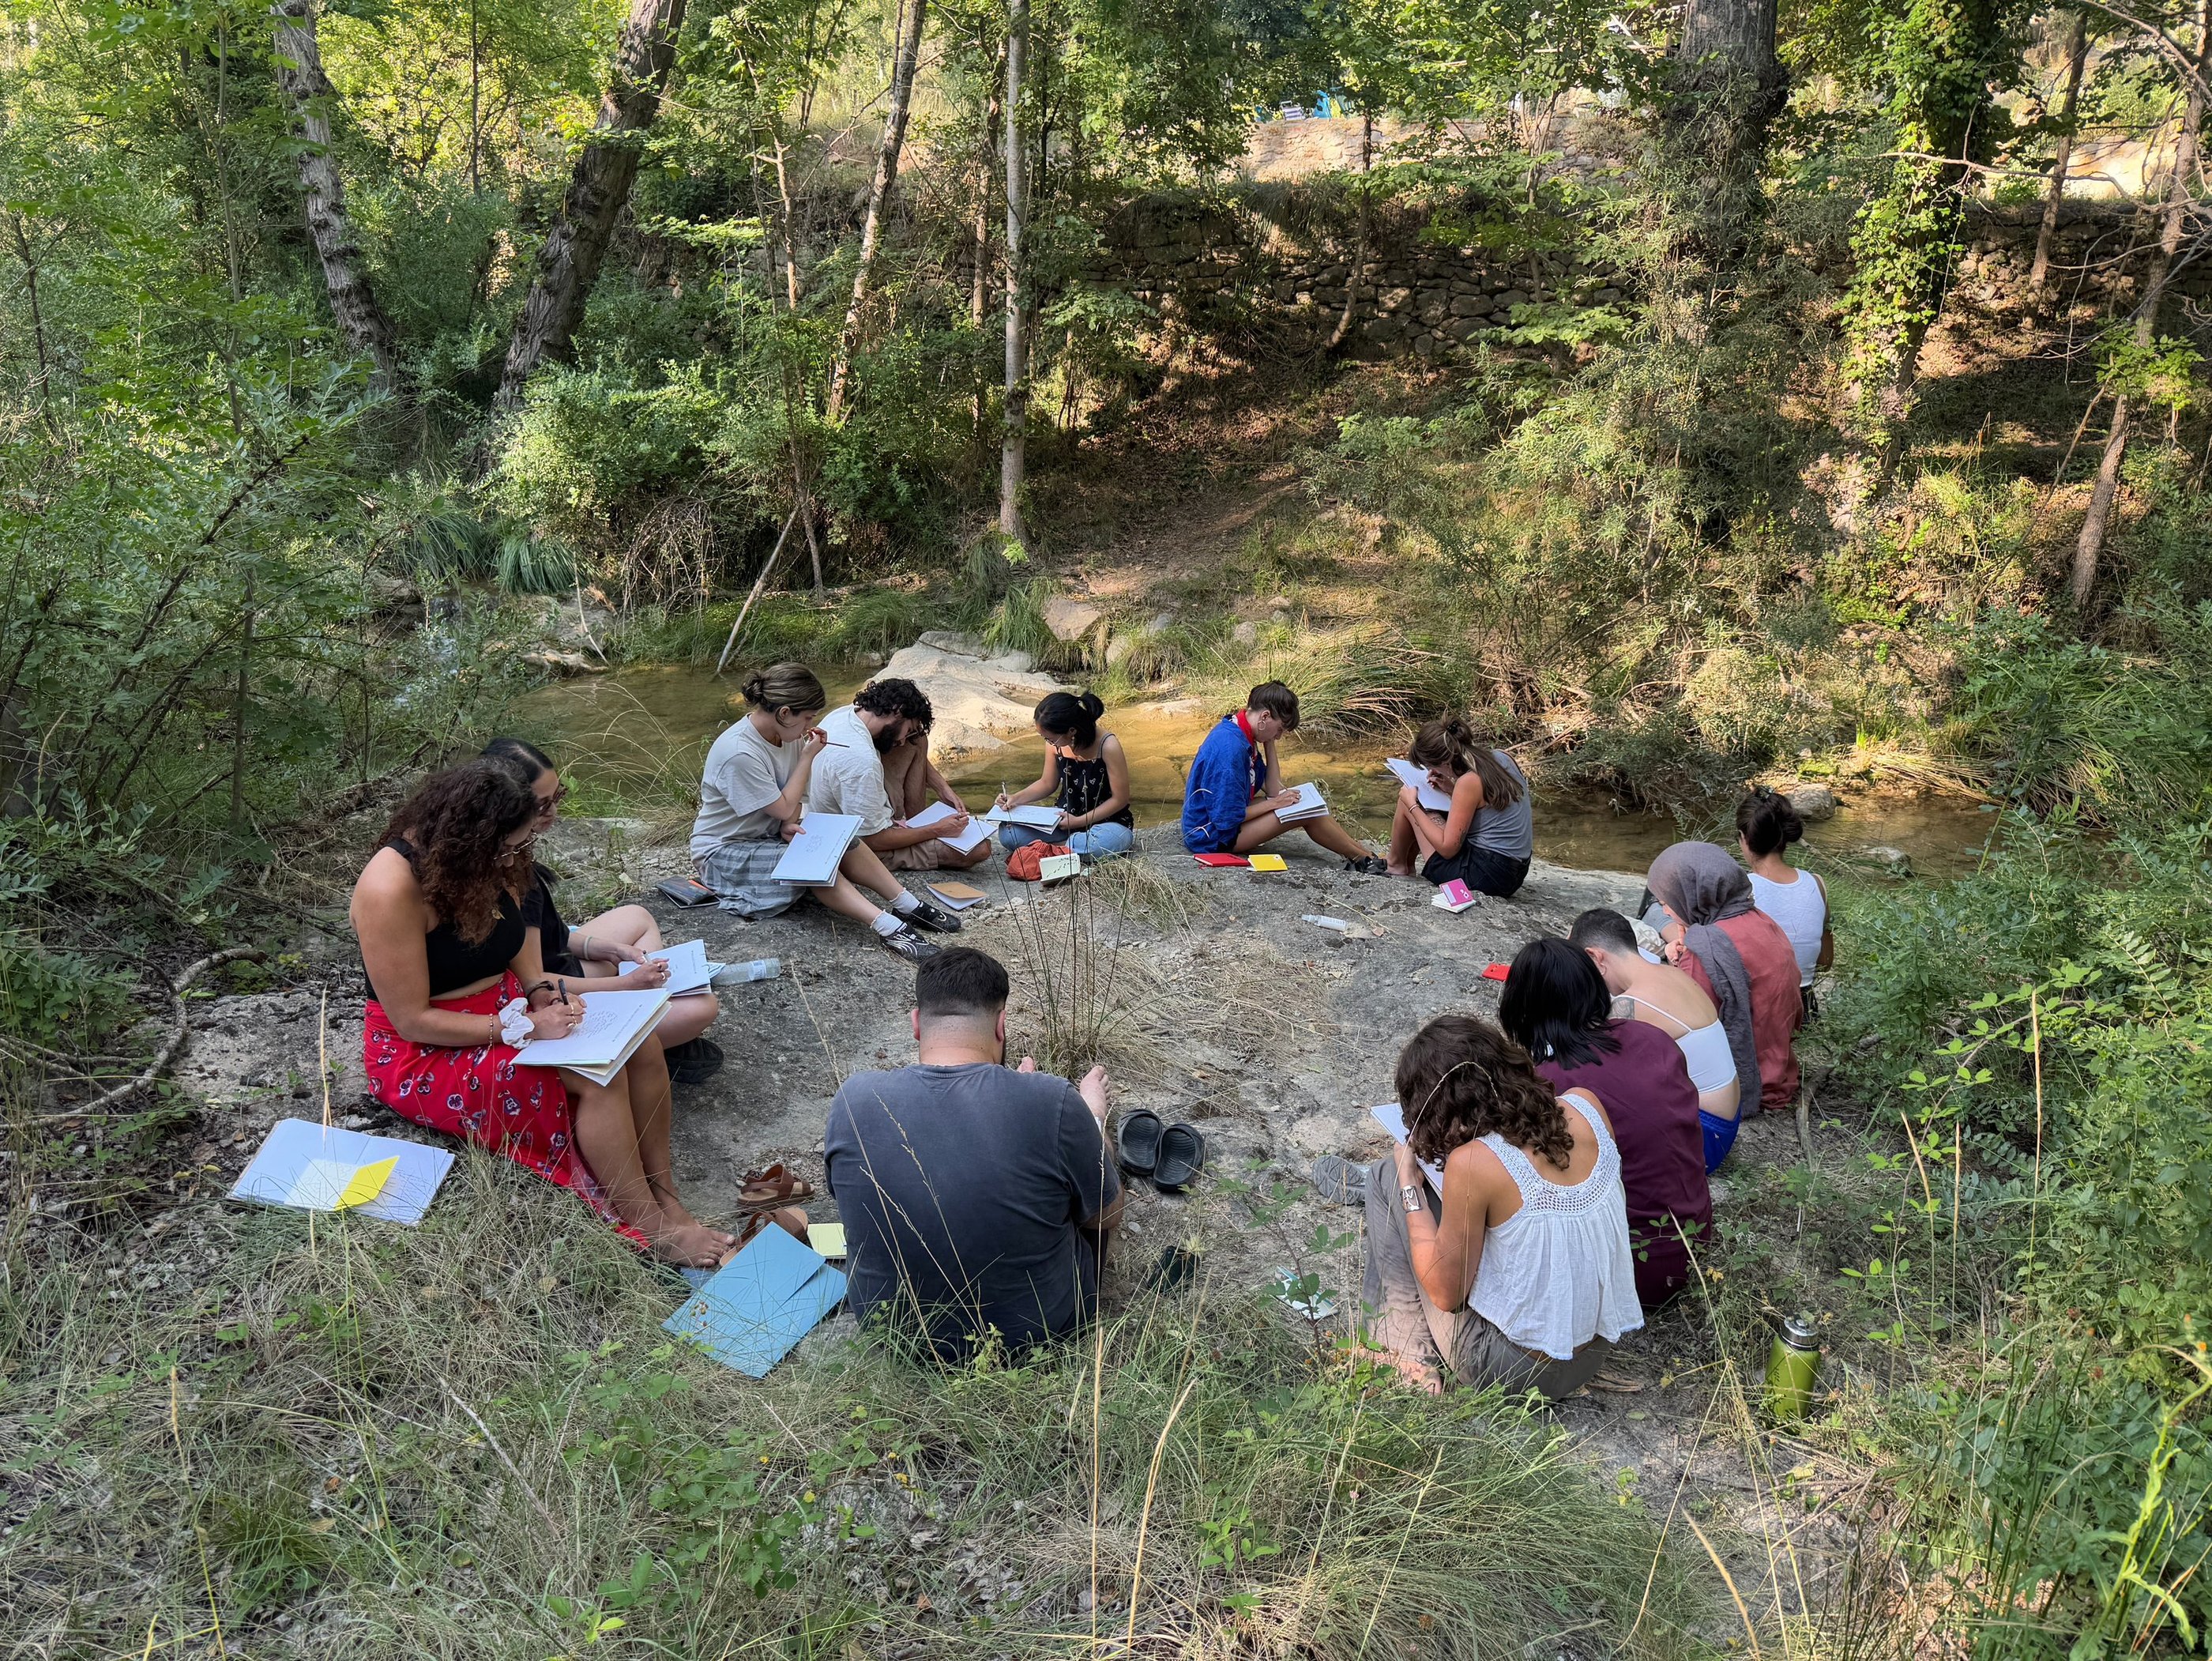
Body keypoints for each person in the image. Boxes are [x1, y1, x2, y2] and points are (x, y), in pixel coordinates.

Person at [352, 760, 780, 1267]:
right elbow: (411, 1021)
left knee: (640, 1043)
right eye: (506, 848)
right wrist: (521, 1027)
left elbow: (518, 948)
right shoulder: (389, 888)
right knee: (595, 1075)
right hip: (429, 1048)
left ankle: (664, 1194)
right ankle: (649, 1226)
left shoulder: (499, 854)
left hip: (508, 1007)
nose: (513, 857)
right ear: (470, 838)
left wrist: (539, 992)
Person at [824, 947, 1122, 1358]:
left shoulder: (852, 1099)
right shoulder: (1052, 1100)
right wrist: (1090, 1118)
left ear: (916, 1024)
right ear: (1001, 1025)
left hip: (895, 1336)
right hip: (1034, 1341)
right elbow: (1106, 1215)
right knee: (1087, 1195)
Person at [1359, 1015, 1642, 1396]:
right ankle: (1405, 1349)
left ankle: (1405, 1356)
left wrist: (1409, 1186)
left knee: (1386, 1176)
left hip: (1512, 1373)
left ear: (1439, 1112)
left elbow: (1446, 1296)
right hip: (1593, 1353)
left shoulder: (1474, 1163)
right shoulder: (1586, 1106)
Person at [482, 737, 724, 1085]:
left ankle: (651, 1022)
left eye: (558, 797)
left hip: (562, 966)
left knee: (636, 917)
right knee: (701, 1007)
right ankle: (646, 1038)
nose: (553, 812)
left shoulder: (515, 852)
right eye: (542, 804)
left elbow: (551, 935)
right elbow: (532, 980)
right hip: (553, 997)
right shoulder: (510, 873)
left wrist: (608, 949)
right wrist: (627, 984)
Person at [1499, 938, 1712, 1307]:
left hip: (1634, 1268)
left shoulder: (1550, 1085)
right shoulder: (1653, 1037)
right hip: (1696, 1238)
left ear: (1522, 1010)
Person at [689, 664, 950, 963]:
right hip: (723, 853)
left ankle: (906, 903)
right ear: (784, 713)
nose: (810, 725)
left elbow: (796, 802)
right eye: (808, 717)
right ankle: (888, 927)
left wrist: (787, 824)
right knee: (813, 862)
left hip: (766, 835)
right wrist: (807, 757)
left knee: (842, 837)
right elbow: (784, 806)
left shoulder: (784, 736)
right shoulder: (739, 753)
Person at [1568, 908, 1743, 1172]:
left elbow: (1592, 1066)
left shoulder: (1632, 1004)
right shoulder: (1674, 973)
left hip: (1701, 1137)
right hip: (1725, 1121)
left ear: (1595, 957)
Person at [1646, 841, 1803, 1110]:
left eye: (1666, 903)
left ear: (1692, 895)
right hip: (1781, 1071)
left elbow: (1686, 1028)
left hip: (1738, 1085)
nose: (1665, 912)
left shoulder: (1706, 949)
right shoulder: (1763, 921)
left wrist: (1683, 963)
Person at [1179, 680, 1385, 870]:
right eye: (1279, 729)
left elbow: (1273, 789)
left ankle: (1364, 854)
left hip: (1220, 822)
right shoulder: (1231, 749)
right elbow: (1226, 818)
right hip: (1211, 837)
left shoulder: (1243, 732)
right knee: (1306, 814)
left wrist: (1269, 744)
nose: (1279, 736)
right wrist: (1274, 804)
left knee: (1306, 806)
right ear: (1265, 717)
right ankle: (1364, 860)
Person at [808, 677, 992, 876]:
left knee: (917, 738)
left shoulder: (847, 714)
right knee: (980, 848)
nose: (903, 741)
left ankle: (915, 823)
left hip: (850, 816)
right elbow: (872, 839)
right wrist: (936, 829)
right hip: (858, 848)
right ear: (897, 711)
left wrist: (942, 788)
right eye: (907, 730)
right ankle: (917, 831)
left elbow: (909, 738)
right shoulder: (861, 764)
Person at [1386, 718, 1533, 898]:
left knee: (1409, 799)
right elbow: (1489, 806)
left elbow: (1448, 850)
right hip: (1514, 872)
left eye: (1430, 766)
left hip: (1483, 876)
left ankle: (1396, 864)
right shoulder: (1502, 757)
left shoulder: (1469, 782)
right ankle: (1405, 864)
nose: (1431, 771)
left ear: (1444, 763)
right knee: (1423, 805)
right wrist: (1451, 789)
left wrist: (1413, 806)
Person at [993, 691, 1136, 859]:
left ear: (1071, 731)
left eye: (1050, 738)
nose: (1048, 742)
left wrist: (1079, 821)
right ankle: (1069, 848)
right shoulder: (1055, 744)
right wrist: (1015, 798)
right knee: (1009, 833)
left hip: (1107, 823)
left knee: (1107, 842)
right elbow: (1047, 783)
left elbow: (1120, 799)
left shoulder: (1108, 745)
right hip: (1063, 821)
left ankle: (1051, 849)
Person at [1737, 789, 1832, 1016]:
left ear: (1743, 838)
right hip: (1804, 1006)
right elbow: (1825, 961)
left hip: (1759, 1007)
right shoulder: (1816, 883)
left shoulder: (1741, 888)